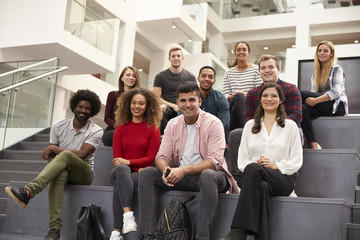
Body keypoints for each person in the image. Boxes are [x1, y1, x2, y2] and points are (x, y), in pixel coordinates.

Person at [138, 81, 239, 240]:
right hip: (182, 175)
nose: (187, 104)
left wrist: (183, 170)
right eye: (183, 101)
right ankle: (148, 235)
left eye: (192, 100)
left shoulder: (213, 123)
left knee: (208, 175)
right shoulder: (172, 124)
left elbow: (214, 161)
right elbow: (162, 156)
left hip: (212, 178)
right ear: (177, 103)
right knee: (147, 174)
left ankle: (202, 237)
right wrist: (166, 170)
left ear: (199, 101)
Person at [5, 89, 103, 240]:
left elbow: (82, 154)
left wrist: (54, 149)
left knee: (66, 154)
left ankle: (29, 191)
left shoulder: (96, 130)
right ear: (74, 107)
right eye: (80, 107)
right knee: (60, 174)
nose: (83, 110)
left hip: (84, 173)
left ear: (92, 111)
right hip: (64, 168)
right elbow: (52, 158)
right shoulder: (58, 126)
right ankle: (54, 230)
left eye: (87, 108)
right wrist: (58, 157)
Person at [220, 83, 303, 240]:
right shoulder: (250, 125)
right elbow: (242, 160)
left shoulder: (291, 126)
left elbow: (297, 160)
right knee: (262, 185)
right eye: (265, 95)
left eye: (273, 96)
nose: (269, 99)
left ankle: (238, 231)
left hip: (283, 179)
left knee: (254, 170)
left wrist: (274, 165)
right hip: (256, 178)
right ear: (260, 100)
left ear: (280, 101)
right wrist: (258, 166)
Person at [228, 54, 302, 186]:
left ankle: (288, 172)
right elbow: (247, 119)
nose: (267, 70)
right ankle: (239, 180)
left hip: (284, 128)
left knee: (297, 132)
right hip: (259, 129)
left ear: (278, 69)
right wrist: (263, 129)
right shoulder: (252, 93)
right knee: (235, 135)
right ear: (259, 71)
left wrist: (276, 127)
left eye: (270, 67)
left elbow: (296, 115)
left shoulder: (291, 89)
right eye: (263, 68)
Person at [109, 88, 162, 240]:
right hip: (123, 171)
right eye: (133, 103)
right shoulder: (120, 129)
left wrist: (129, 163)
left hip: (139, 175)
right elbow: (117, 159)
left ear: (147, 106)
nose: (136, 106)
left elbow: (151, 158)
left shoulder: (153, 129)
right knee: (121, 170)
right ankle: (127, 215)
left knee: (120, 183)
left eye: (141, 103)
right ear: (128, 104)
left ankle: (117, 231)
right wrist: (130, 165)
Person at [301, 40, 348, 149]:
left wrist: (315, 101)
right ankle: (313, 143)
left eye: (325, 51)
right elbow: (314, 93)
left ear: (331, 53)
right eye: (319, 51)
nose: (321, 53)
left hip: (337, 107)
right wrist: (313, 101)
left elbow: (336, 92)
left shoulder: (337, 69)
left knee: (301, 94)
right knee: (302, 108)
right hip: (324, 107)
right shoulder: (315, 74)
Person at [153, 47, 196, 134]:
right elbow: (156, 98)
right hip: (167, 108)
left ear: (182, 58)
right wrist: (172, 105)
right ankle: (162, 137)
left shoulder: (190, 77)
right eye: (173, 56)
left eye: (178, 56)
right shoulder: (160, 76)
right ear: (169, 59)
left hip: (184, 107)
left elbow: (194, 96)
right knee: (162, 111)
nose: (176, 58)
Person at [223, 42, 262, 131]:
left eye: (244, 50)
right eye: (238, 50)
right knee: (238, 97)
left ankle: (234, 132)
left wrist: (245, 96)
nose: (241, 52)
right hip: (233, 101)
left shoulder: (256, 69)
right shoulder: (228, 72)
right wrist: (231, 96)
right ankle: (248, 126)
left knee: (237, 102)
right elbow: (225, 94)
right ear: (235, 53)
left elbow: (258, 91)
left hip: (250, 103)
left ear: (248, 53)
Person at [102, 66, 140, 146]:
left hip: (132, 129)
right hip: (114, 129)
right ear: (122, 78)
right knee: (114, 135)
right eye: (128, 75)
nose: (131, 78)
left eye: (134, 76)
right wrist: (118, 126)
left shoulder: (139, 97)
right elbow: (107, 118)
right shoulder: (112, 95)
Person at [197, 65, 230, 135]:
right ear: (198, 78)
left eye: (210, 77)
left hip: (213, 136)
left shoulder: (221, 99)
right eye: (203, 76)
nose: (207, 79)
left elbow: (224, 125)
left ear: (214, 81)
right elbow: (180, 119)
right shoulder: (190, 97)